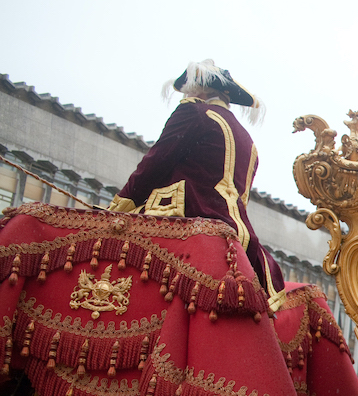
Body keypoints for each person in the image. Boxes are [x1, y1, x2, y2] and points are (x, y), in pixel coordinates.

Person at [109, 60, 285, 311]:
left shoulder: (194, 113)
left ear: (201, 90)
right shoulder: (247, 139)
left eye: (190, 88)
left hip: (188, 216)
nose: (188, 93)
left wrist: (117, 207)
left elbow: (155, 162)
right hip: (237, 233)